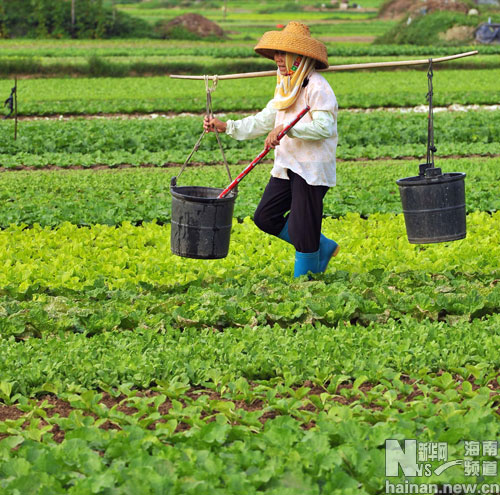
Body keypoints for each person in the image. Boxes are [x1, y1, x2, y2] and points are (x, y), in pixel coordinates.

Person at [203, 21, 339, 278]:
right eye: (276, 53)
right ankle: (323, 246)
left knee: (303, 229)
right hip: (288, 164)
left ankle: (306, 282)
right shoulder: (286, 85)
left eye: (283, 53)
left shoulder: (318, 87)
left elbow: (325, 128)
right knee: (265, 216)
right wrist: (225, 126)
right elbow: (266, 119)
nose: (277, 58)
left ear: (299, 57)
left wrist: (287, 129)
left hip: (311, 167)